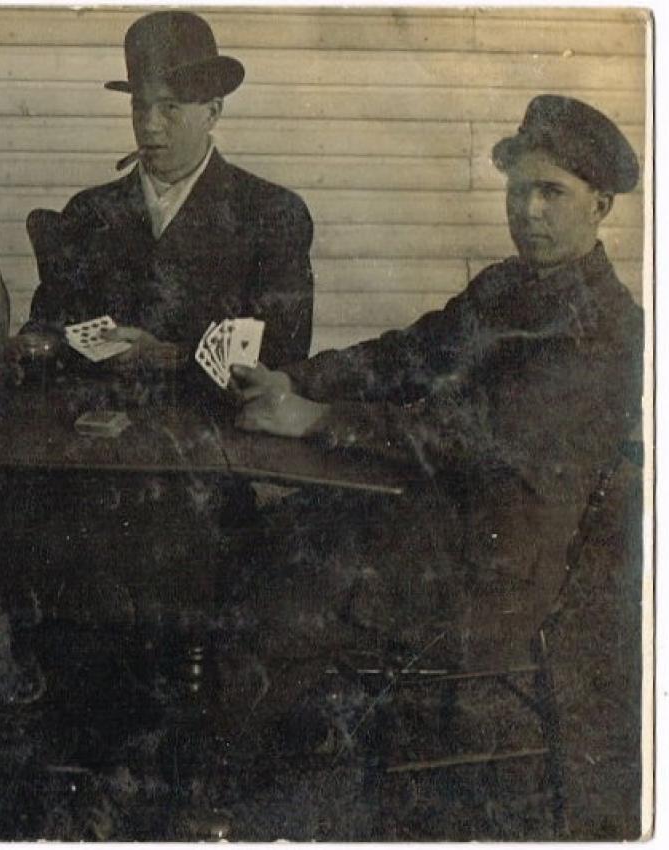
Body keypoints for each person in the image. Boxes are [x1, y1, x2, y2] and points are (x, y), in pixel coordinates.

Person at [223, 94, 643, 745]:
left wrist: (315, 419)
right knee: (271, 534)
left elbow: (472, 436)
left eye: (552, 193)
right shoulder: (507, 286)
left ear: (601, 205)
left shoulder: (608, 328)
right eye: (519, 190)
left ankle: (244, 760)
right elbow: (409, 355)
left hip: (495, 572)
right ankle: (271, 731)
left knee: (283, 566)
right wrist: (295, 379)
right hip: (443, 516)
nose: (527, 211)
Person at [23, 10, 314, 374]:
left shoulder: (273, 215)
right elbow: (46, 333)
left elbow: (285, 358)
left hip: (219, 427)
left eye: (170, 107)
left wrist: (169, 358)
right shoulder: (88, 211)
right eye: (140, 106)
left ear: (212, 112)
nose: (150, 125)